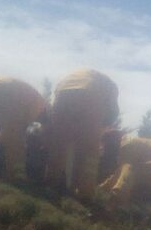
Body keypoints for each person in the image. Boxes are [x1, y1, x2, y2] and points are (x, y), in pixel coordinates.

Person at [45, 69, 119, 198]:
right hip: (91, 95)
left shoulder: (81, 76)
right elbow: (113, 113)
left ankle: (51, 182)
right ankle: (86, 192)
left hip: (63, 93)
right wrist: (98, 130)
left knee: (59, 142)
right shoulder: (111, 88)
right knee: (89, 149)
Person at [0, 77, 47, 179]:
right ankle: (12, 176)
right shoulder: (39, 108)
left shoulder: (36, 102)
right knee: (12, 140)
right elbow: (12, 138)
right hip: (8, 92)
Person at [99, 135, 151, 210]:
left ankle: (117, 200)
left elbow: (125, 171)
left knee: (132, 170)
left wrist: (116, 192)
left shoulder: (126, 145)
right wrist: (102, 187)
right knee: (134, 173)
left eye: (105, 146)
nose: (105, 150)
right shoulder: (132, 141)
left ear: (111, 142)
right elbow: (119, 172)